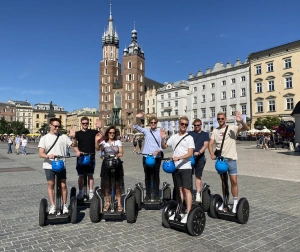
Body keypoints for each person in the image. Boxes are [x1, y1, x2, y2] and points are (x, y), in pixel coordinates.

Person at [208, 111, 249, 213]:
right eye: (219, 119)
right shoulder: (215, 131)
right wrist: (212, 154)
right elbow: (210, 144)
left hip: (231, 159)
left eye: (222, 118)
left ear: (225, 119)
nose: (220, 120)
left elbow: (246, 128)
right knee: (224, 182)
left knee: (234, 181)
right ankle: (225, 202)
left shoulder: (232, 128)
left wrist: (241, 121)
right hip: (221, 160)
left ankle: (235, 203)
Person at [160, 116, 195, 223]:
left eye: (186, 124)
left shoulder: (189, 138)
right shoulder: (174, 137)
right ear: (179, 124)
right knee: (179, 189)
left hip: (186, 167)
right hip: (176, 167)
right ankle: (179, 210)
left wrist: (178, 157)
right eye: (182, 124)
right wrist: (162, 138)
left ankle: (188, 212)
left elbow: (190, 153)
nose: (184, 126)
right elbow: (165, 146)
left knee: (186, 190)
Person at [38, 118, 72, 214]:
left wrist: (74, 137)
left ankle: (64, 205)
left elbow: (73, 144)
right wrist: (48, 156)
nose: (57, 128)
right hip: (49, 165)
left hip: (61, 165)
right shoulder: (44, 138)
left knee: (63, 185)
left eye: (58, 126)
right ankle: (53, 205)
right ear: (50, 125)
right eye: (55, 126)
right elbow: (40, 153)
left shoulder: (64, 137)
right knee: (51, 184)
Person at [133, 116, 164, 201]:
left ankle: (156, 194)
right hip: (146, 156)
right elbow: (135, 125)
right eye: (151, 122)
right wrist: (137, 117)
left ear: (156, 123)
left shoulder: (159, 132)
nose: (153, 124)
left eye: (154, 122)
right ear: (149, 123)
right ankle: (148, 194)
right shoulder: (146, 131)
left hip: (156, 157)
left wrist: (158, 151)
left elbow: (163, 145)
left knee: (156, 176)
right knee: (147, 176)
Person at [96, 126, 124, 211]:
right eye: (110, 133)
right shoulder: (104, 142)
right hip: (106, 165)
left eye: (113, 133)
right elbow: (98, 149)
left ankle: (119, 203)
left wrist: (119, 154)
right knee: (106, 185)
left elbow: (121, 151)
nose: (111, 134)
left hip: (116, 164)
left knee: (117, 185)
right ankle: (107, 203)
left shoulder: (118, 142)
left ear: (115, 134)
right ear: (107, 133)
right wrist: (96, 140)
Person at [72, 117, 99, 200]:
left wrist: (101, 127)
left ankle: (90, 192)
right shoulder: (77, 133)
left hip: (91, 156)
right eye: (83, 123)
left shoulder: (93, 132)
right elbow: (74, 145)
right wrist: (77, 151)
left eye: (86, 123)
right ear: (81, 123)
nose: (85, 124)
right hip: (81, 157)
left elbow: (103, 135)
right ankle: (80, 192)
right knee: (81, 176)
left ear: (88, 123)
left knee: (90, 175)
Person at [188, 119, 209, 202]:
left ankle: (197, 194)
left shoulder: (205, 134)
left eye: (198, 125)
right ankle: (188, 192)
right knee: (188, 175)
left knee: (198, 176)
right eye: (195, 125)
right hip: (190, 157)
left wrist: (199, 152)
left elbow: (205, 145)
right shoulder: (189, 134)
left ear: (201, 125)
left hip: (200, 158)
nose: (197, 127)